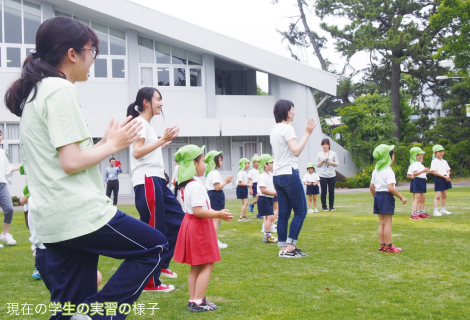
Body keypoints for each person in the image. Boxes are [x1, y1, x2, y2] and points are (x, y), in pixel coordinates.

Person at [5, 16, 169, 319]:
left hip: (53, 222)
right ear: (72, 54)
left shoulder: (36, 93)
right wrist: (113, 144)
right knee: (154, 247)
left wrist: (103, 143)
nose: (93, 60)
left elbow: (65, 161)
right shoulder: (59, 89)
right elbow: (70, 164)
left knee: (70, 310)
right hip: (78, 214)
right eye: (92, 52)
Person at [127, 86, 182, 292]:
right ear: (146, 102)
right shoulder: (140, 122)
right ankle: (150, 281)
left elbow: (147, 149)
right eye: (158, 99)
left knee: (179, 219)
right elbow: (138, 152)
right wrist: (162, 139)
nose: (161, 103)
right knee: (154, 231)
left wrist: (163, 142)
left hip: (158, 180)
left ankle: (162, 263)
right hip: (147, 180)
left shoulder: (146, 125)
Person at [173, 145, 233, 312]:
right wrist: (218, 213)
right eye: (203, 160)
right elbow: (199, 211)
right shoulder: (195, 185)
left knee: (196, 265)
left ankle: (194, 299)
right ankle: (199, 301)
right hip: (199, 227)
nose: (205, 164)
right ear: (194, 163)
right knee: (207, 264)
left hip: (190, 225)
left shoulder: (186, 184)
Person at [270, 99, 315, 258]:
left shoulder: (274, 129)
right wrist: (307, 134)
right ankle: (290, 247)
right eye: (292, 109)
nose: (294, 112)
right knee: (301, 212)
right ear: (286, 112)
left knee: (283, 214)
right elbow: (295, 151)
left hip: (277, 175)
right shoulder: (287, 128)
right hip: (289, 174)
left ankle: (283, 248)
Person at [369, 144, 407, 253]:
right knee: (388, 222)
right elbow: (390, 188)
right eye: (393, 154)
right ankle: (389, 246)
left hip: (378, 196)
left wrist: (376, 197)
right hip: (386, 196)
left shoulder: (376, 171)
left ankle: (382, 245)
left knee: (382, 222)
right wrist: (401, 197)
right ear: (388, 157)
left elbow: (371, 187)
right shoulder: (389, 171)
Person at [204, 150, 233, 249]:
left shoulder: (211, 173)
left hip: (213, 195)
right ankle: (214, 241)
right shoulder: (214, 173)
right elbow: (217, 187)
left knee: (214, 219)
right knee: (216, 219)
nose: (221, 162)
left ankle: (212, 240)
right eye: (219, 160)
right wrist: (226, 181)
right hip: (215, 196)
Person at [0, 130, 20, 248]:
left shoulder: (2, 152)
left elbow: (8, 169)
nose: (0, 136)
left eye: (1, 134)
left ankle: (5, 234)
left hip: (2, 184)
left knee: (9, 209)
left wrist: (22, 167)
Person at [257, 154, 278, 243]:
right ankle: (267, 236)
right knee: (270, 217)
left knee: (269, 217)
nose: (273, 164)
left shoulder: (269, 175)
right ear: (265, 165)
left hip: (268, 199)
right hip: (264, 199)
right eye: (271, 163)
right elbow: (263, 190)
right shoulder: (262, 176)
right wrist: (274, 192)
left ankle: (267, 234)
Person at [407, 147, 431, 220]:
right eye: (421, 154)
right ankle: (413, 214)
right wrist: (423, 171)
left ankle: (421, 212)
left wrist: (426, 173)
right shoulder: (414, 164)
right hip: (418, 181)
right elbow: (414, 173)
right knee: (417, 199)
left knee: (422, 199)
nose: (422, 156)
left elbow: (422, 172)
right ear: (416, 156)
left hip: (422, 181)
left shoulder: (420, 164)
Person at [316, 138, 338, 211]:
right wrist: (322, 160)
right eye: (323, 144)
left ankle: (331, 206)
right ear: (321, 145)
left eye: (326, 144)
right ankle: (324, 206)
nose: (325, 146)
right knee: (323, 191)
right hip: (322, 175)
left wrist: (331, 162)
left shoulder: (333, 153)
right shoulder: (319, 154)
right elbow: (317, 165)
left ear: (329, 145)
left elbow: (337, 163)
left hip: (332, 174)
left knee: (331, 191)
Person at [430, 144, 453, 216]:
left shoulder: (444, 161)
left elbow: (448, 170)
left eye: (442, 151)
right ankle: (435, 210)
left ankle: (443, 209)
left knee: (444, 195)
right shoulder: (434, 161)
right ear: (435, 153)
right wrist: (443, 176)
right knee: (438, 196)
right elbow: (434, 172)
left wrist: (447, 175)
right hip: (439, 179)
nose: (441, 153)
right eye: (439, 152)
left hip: (446, 178)